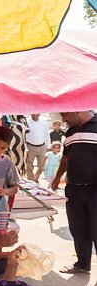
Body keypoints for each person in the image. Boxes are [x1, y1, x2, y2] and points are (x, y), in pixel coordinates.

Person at [51, 111, 97, 274]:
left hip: (94, 190)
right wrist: (57, 178)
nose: (63, 119)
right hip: (74, 189)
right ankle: (82, 264)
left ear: (77, 109)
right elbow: (66, 157)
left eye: (64, 115)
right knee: (78, 228)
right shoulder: (70, 132)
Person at [25, 113, 49, 182]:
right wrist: (26, 148)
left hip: (42, 146)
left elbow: (46, 133)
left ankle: (36, 178)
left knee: (41, 166)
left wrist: (48, 145)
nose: (35, 114)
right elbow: (24, 135)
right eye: (34, 113)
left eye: (37, 113)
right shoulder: (27, 122)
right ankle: (31, 181)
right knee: (29, 167)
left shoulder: (44, 120)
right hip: (30, 147)